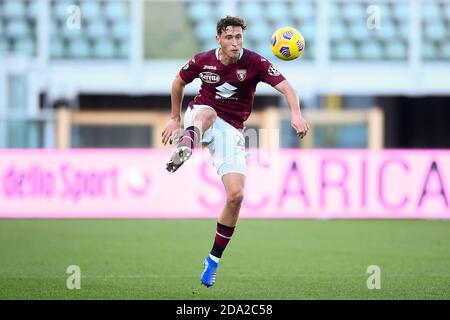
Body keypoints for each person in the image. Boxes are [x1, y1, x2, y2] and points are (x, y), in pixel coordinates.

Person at [161, 16, 309, 288]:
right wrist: (174, 117)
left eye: (238, 37)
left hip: (232, 131)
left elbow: (288, 88)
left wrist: (296, 115)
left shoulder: (255, 63)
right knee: (207, 113)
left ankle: (213, 260)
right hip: (202, 114)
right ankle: (186, 144)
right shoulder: (202, 60)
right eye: (229, 37)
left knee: (236, 196)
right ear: (218, 38)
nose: (235, 42)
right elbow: (178, 82)